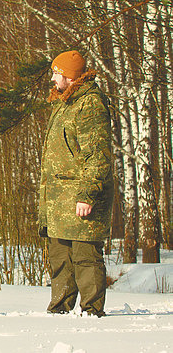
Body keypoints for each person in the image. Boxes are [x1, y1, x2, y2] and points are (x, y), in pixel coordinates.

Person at [38, 50, 113, 317]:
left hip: (81, 197)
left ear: (70, 76)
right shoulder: (64, 103)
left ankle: (93, 313)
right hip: (59, 200)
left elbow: (97, 153)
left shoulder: (89, 104)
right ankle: (59, 310)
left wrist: (87, 194)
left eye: (58, 72)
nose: (53, 78)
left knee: (86, 257)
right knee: (60, 259)